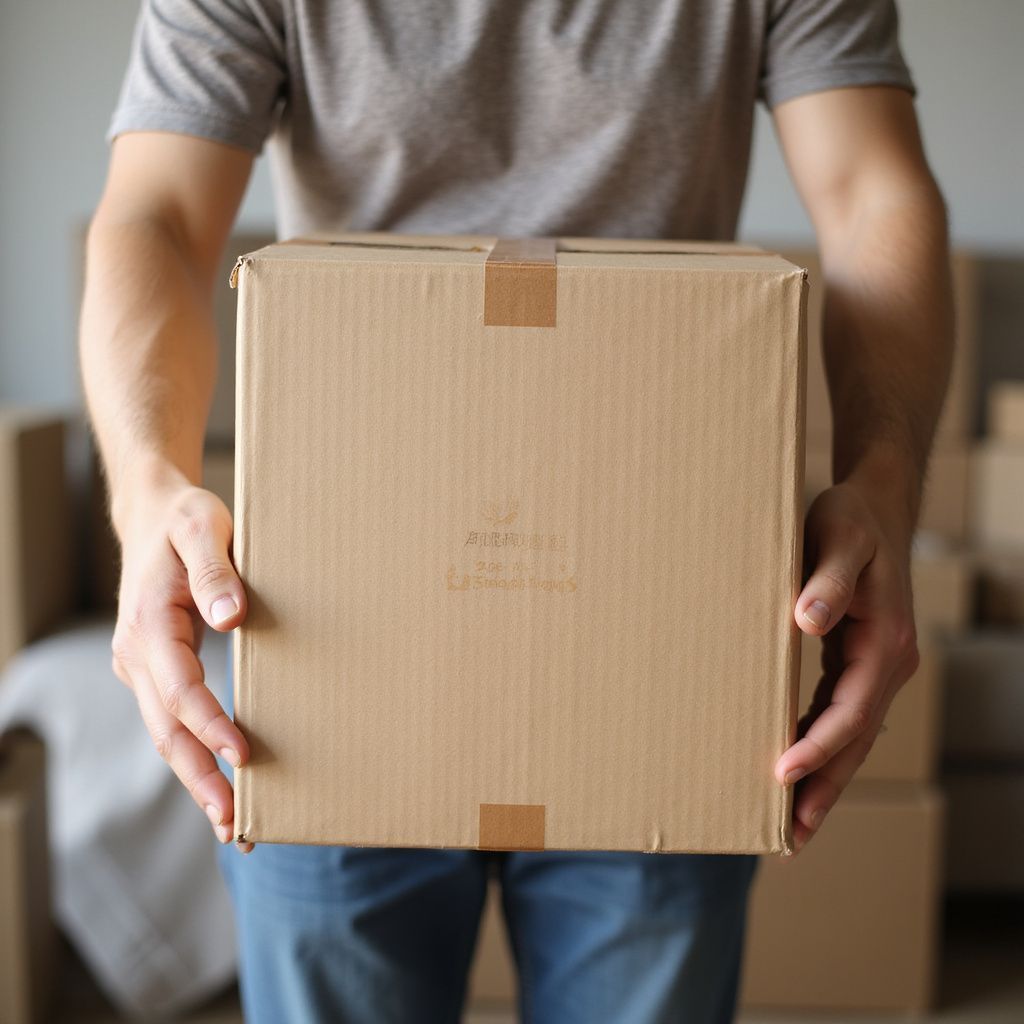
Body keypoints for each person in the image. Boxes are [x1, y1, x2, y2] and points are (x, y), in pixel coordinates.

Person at [79, 1, 953, 1021]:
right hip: (335, 612)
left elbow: (869, 195)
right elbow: (160, 216)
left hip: (658, 605)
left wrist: (884, 491)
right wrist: (146, 500)